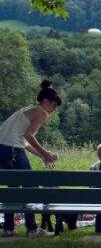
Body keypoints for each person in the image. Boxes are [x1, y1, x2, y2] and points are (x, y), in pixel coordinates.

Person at [1, 80, 62, 238]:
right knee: (31, 187)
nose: (53, 110)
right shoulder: (42, 112)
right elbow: (28, 136)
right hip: (14, 150)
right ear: (46, 102)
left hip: (3, 149)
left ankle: (8, 228)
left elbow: (24, 141)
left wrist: (43, 155)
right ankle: (32, 229)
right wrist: (46, 154)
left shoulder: (26, 109)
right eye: (53, 106)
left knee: (12, 188)